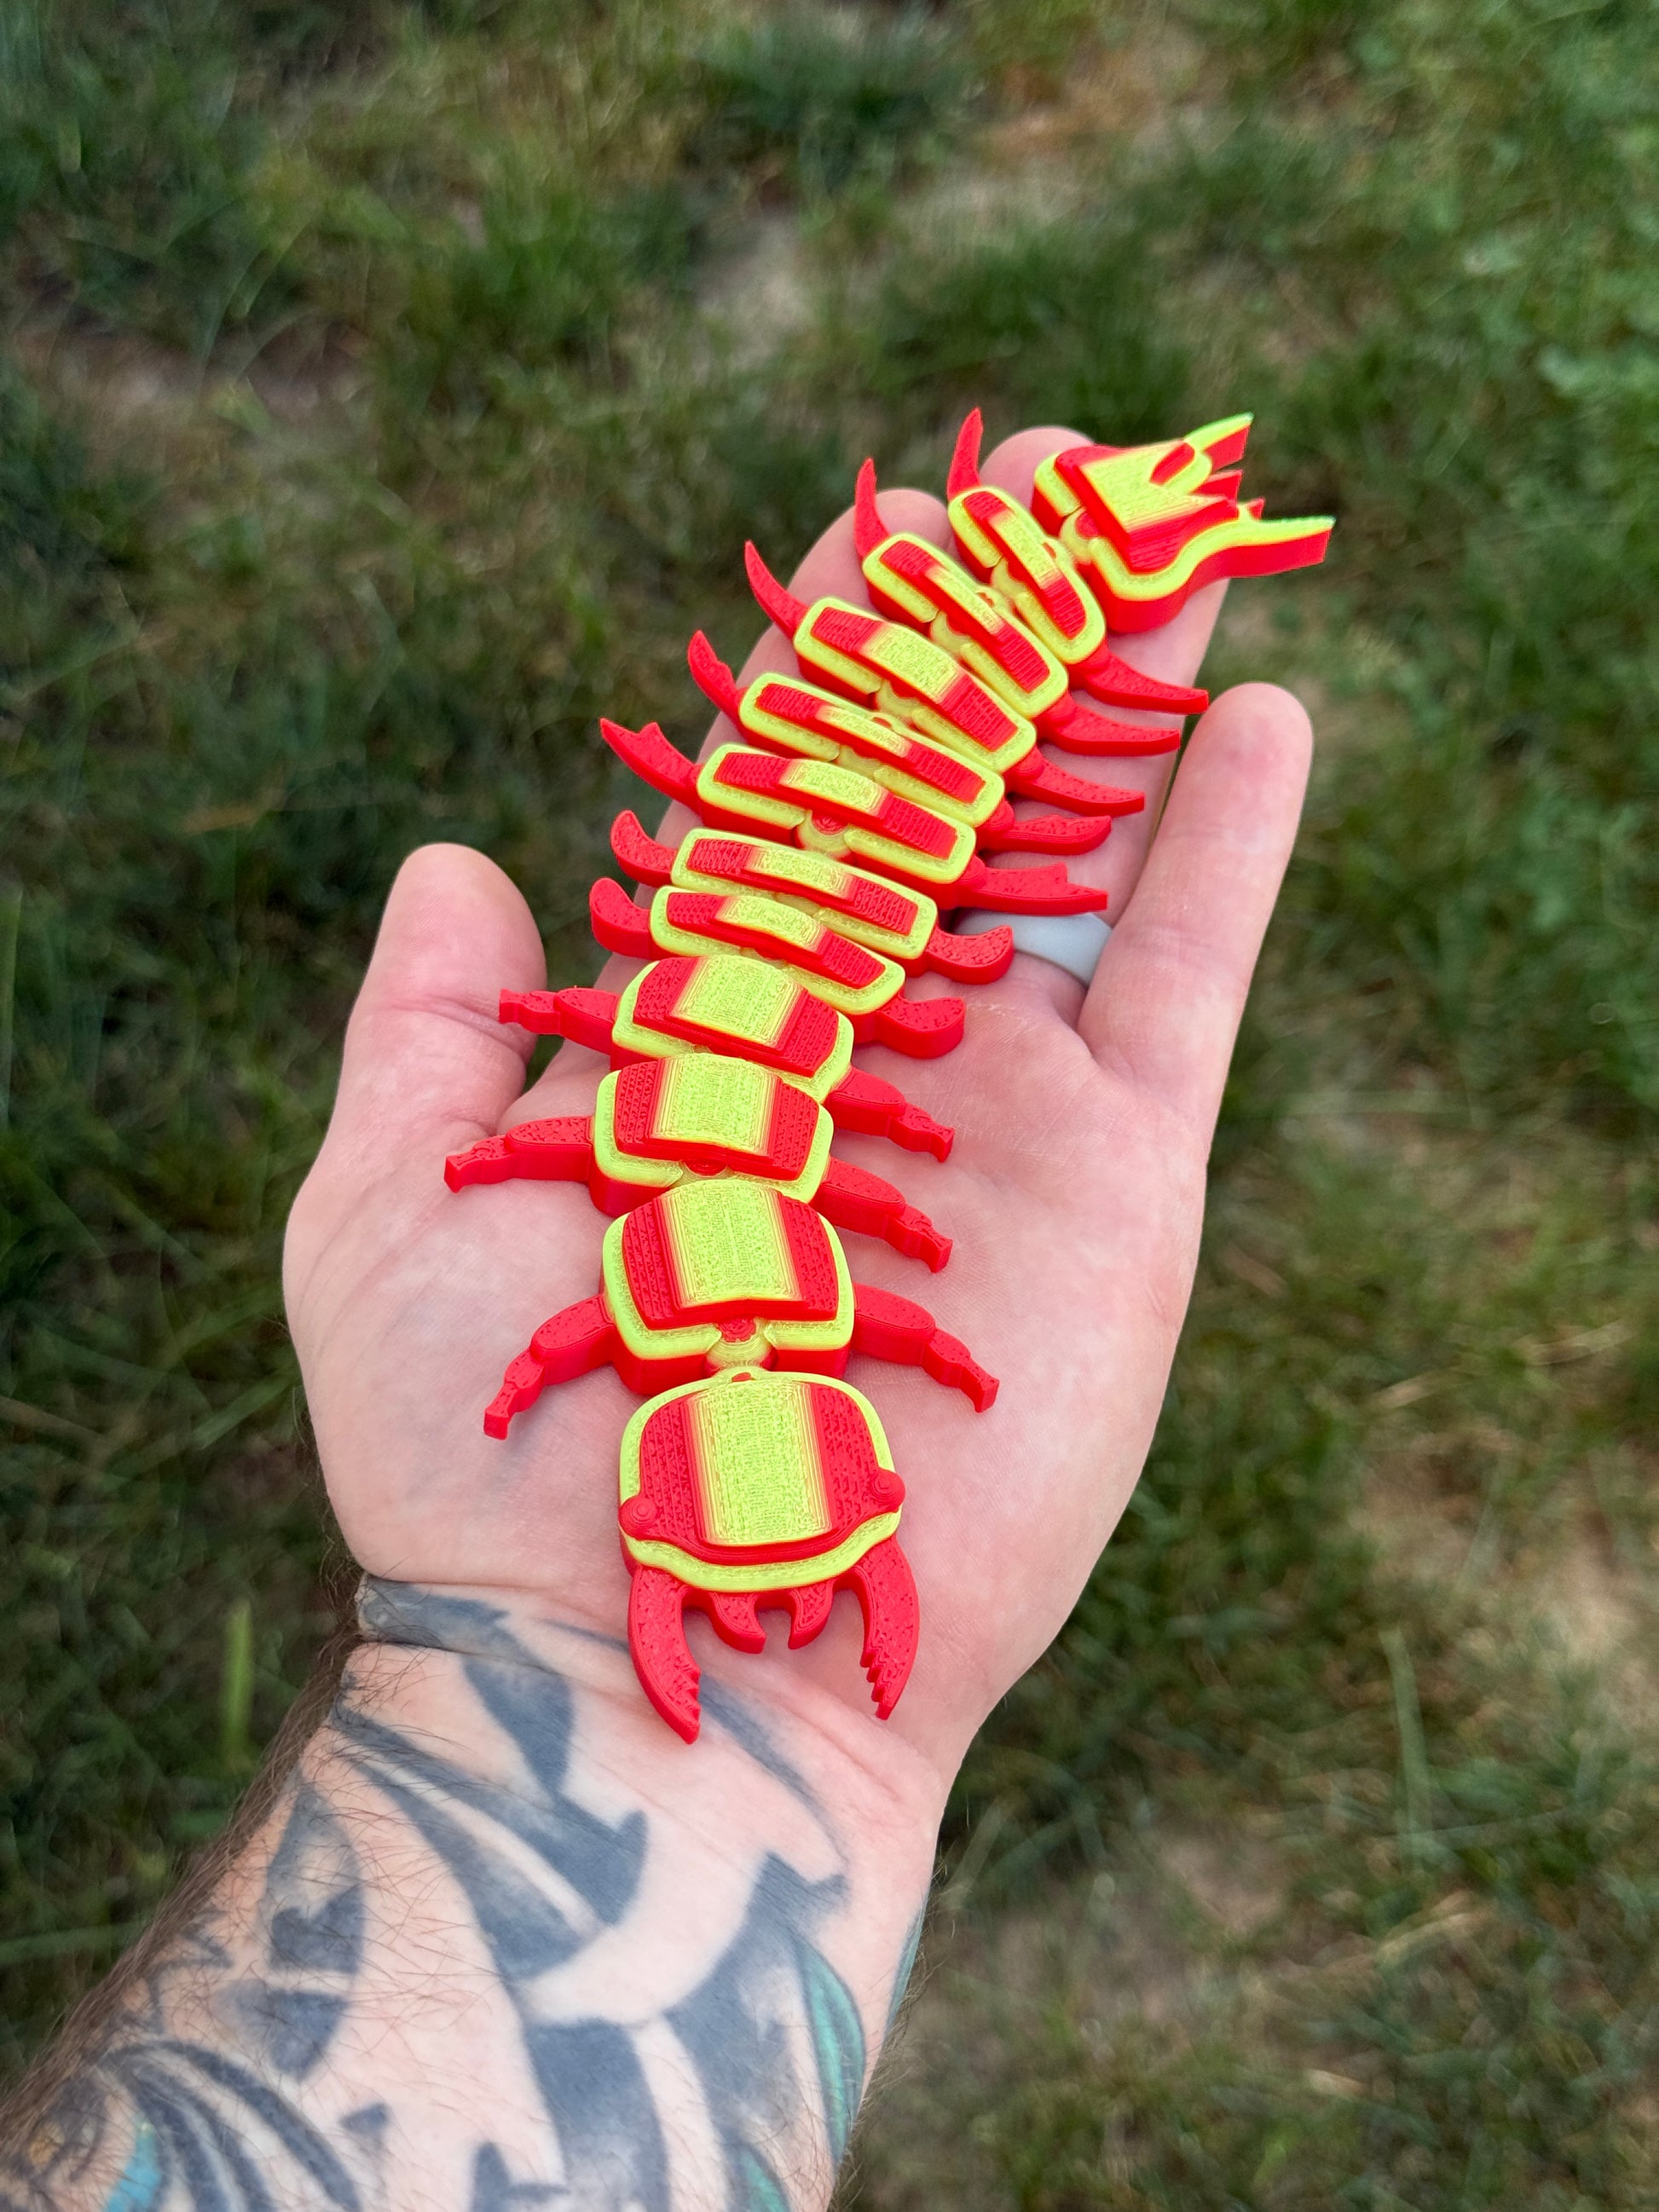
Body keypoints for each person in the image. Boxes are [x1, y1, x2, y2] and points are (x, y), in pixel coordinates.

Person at [0, 424, 1312, 2212]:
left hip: (873, 781)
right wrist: (581, 1683)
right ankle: (1093, 546)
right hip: (852, 817)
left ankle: (1090, 545)